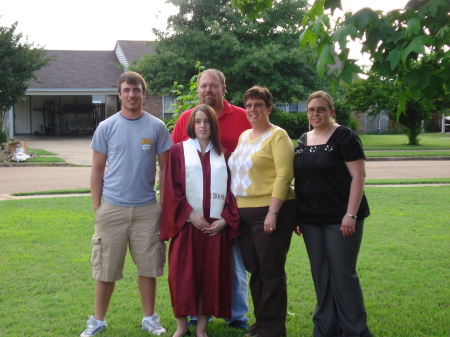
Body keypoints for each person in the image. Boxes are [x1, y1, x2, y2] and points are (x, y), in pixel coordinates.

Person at [80, 71, 173, 337]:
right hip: (112, 208)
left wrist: (163, 206)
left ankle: (149, 318)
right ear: (119, 94)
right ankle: (97, 321)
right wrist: (98, 208)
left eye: (137, 90)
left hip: (147, 209)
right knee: (105, 268)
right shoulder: (106, 127)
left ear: (144, 93)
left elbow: (165, 170)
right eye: (127, 90)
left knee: (149, 267)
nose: (132, 95)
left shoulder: (157, 127)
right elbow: (97, 170)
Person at [171, 68, 251, 330]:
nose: (208, 90)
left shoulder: (241, 117)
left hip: (226, 209)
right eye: (204, 86)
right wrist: (187, 214)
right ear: (198, 90)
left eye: (213, 86)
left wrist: (227, 218)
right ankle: (193, 314)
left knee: (232, 266)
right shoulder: (185, 119)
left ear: (223, 89)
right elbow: (173, 171)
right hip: (191, 214)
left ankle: (235, 314)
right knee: (189, 268)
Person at [294, 91, 372, 337]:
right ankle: (326, 330)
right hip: (310, 220)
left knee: (343, 275)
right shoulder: (303, 140)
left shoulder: (345, 137)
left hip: (341, 219)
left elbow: (358, 176)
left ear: (331, 112)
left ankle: (355, 331)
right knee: (321, 275)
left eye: (321, 109)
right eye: (311, 109)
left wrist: (351, 214)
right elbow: (301, 180)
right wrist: (297, 215)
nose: (315, 113)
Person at [161, 104, 241, 337]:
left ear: (213, 125)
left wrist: (225, 220)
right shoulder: (178, 151)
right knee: (181, 276)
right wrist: (189, 214)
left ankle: (202, 328)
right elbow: (171, 189)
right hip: (186, 227)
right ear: (191, 125)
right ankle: (182, 326)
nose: (202, 125)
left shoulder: (224, 155)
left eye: (207, 121)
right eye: (198, 121)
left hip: (214, 230)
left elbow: (231, 192)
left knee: (211, 276)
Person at [228, 86, 297, 337]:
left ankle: (274, 329)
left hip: (270, 210)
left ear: (269, 108)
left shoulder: (278, 136)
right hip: (244, 213)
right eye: (248, 105)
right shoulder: (244, 136)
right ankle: (261, 325)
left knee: (271, 272)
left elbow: (284, 175)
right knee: (255, 270)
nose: (252, 110)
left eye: (258, 105)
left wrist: (273, 212)